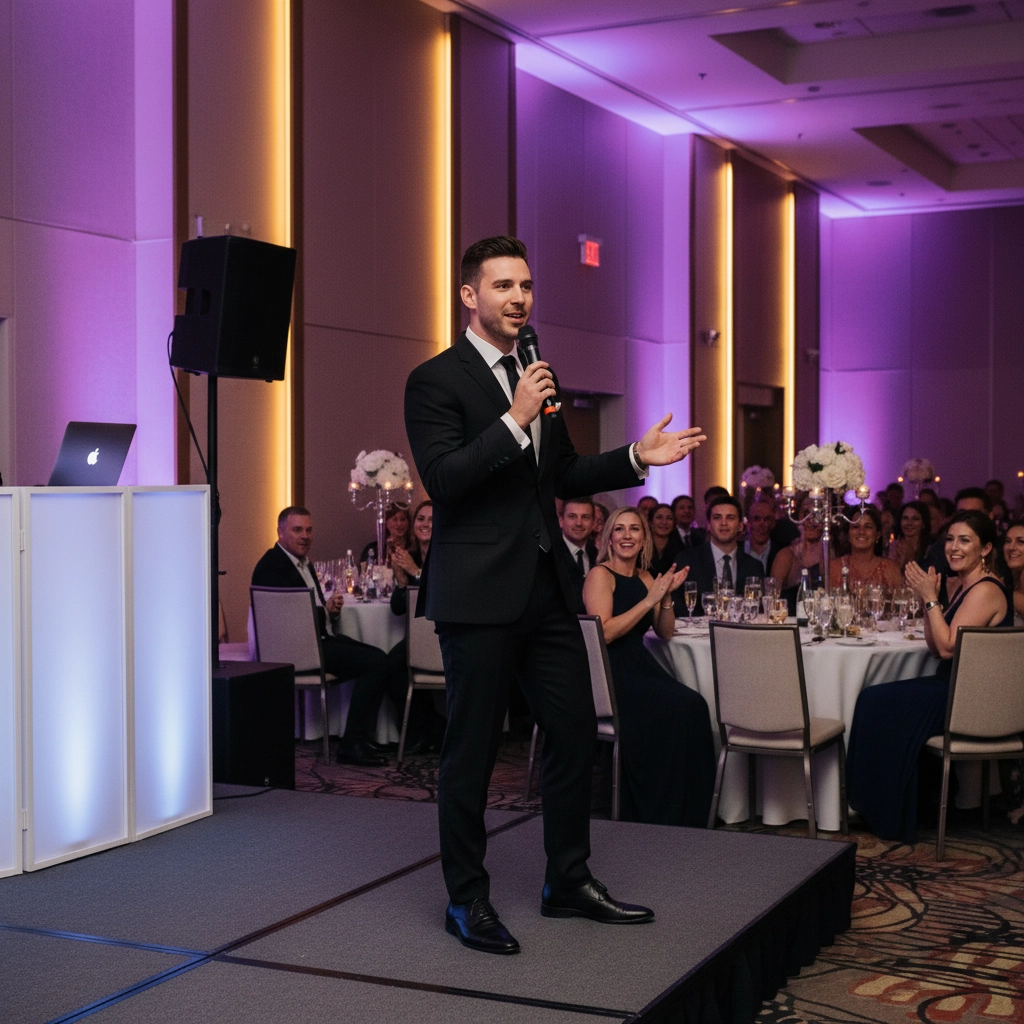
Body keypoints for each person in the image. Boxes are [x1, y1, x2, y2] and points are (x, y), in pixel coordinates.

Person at [404, 235, 705, 955]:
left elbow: (563, 471)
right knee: (471, 751)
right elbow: (444, 481)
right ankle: (467, 900)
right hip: (476, 594)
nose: (519, 298)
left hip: (547, 590)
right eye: (503, 285)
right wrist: (513, 417)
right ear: (469, 296)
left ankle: (567, 881)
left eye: (527, 286)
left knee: (573, 734)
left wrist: (635, 457)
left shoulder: (538, 373)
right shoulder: (435, 381)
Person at [846, 511, 1012, 843]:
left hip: (968, 695)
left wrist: (931, 597)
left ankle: (887, 812)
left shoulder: (987, 590)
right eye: (950, 539)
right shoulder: (969, 586)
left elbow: (949, 648)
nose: (954, 547)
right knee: (873, 697)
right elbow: (935, 647)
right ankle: (882, 807)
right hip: (952, 685)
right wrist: (930, 601)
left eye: (965, 540)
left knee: (876, 702)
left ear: (985, 548)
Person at [583, 508, 716, 826]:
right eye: (619, 530)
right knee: (682, 706)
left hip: (640, 665)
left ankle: (689, 811)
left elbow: (666, 631)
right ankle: (657, 809)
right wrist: (648, 600)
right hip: (611, 671)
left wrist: (666, 597)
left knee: (694, 705)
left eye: (634, 530)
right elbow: (603, 633)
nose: (627, 536)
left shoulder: (645, 577)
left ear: (644, 539)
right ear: (610, 539)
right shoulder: (600, 575)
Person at [252, 506, 393, 766]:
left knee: (379, 658)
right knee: (378, 663)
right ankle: (353, 742)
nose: (305, 536)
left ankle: (359, 737)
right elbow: (291, 620)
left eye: (308, 530)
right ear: (280, 532)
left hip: (314, 640)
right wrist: (321, 615)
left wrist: (327, 611)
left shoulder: (301, 563)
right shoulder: (272, 567)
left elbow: (306, 611)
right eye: (297, 530)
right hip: (298, 651)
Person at [672, 495, 764, 616]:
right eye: (717, 518)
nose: (723, 523)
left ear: (741, 526)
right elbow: (678, 608)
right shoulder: (687, 561)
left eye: (730, 518)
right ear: (709, 525)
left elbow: (758, 611)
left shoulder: (754, 566)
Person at [830, 506, 902, 590]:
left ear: (878, 535)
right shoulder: (835, 567)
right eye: (856, 527)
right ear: (848, 533)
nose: (861, 532)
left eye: (868, 527)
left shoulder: (891, 569)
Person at [770, 495, 824, 594]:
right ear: (799, 518)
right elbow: (772, 598)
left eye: (816, 514)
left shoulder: (833, 555)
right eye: (806, 513)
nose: (810, 520)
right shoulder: (786, 556)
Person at [556, 496, 598, 613]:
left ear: (593, 522)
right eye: (572, 516)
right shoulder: (548, 555)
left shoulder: (599, 556)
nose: (578, 523)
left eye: (585, 517)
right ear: (561, 521)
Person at [888, 500, 931, 573]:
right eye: (905, 518)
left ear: (923, 523)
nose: (909, 523)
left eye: (915, 519)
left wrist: (910, 558)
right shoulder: (895, 546)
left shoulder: (930, 549)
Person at [743, 498, 780, 574]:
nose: (761, 525)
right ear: (748, 522)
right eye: (757, 519)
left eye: (766, 519)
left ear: (772, 524)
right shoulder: (737, 551)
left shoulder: (780, 553)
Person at [648, 502, 683, 577]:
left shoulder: (681, 551)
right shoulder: (639, 549)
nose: (664, 522)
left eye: (669, 518)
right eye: (659, 517)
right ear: (650, 523)